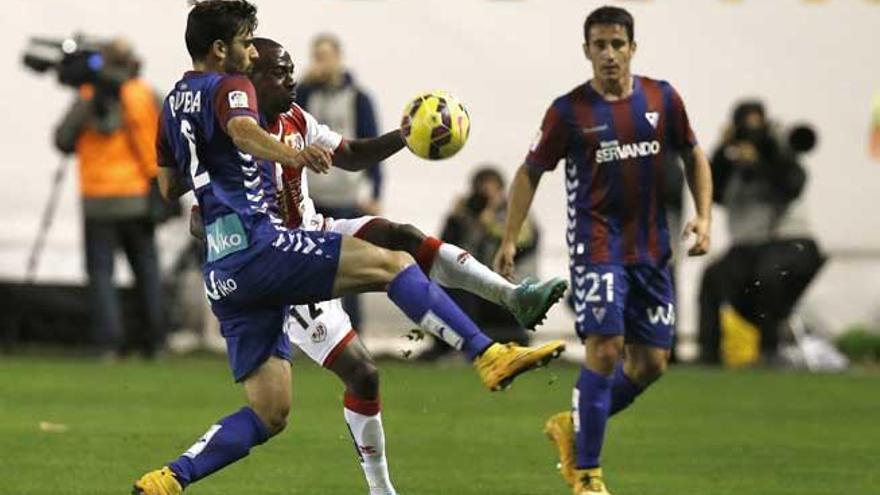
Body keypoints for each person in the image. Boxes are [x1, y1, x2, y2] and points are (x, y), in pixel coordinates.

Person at [132, 2, 567, 493]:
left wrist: (215, 203)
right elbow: (243, 131)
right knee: (393, 265)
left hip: (224, 271)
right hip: (264, 248)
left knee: (270, 412)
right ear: (220, 49)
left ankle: (169, 479)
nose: (250, 54)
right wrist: (291, 155)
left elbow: (169, 186)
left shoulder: (173, 101)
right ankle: (486, 352)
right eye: (246, 44)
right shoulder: (232, 87)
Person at [493, 7, 713, 495]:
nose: (609, 54)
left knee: (651, 363)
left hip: (652, 250)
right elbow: (530, 171)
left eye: (618, 44)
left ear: (633, 47)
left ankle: (573, 423)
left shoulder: (663, 98)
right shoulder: (569, 111)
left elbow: (693, 153)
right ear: (586, 50)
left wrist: (704, 215)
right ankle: (587, 474)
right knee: (606, 348)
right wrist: (510, 236)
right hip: (597, 247)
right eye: (599, 45)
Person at [53, 37, 165, 359]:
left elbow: (63, 139)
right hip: (137, 196)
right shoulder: (144, 95)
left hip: (98, 200)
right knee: (147, 271)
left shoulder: (88, 95)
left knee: (102, 275)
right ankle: (155, 342)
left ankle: (108, 343)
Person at [699, 100, 824, 364]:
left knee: (768, 274)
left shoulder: (777, 157)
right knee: (712, 278)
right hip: (748, 247)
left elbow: (791, 185)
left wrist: (761, 159)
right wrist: (724, 149)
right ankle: (708, 355)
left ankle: (770, 349)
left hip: (784, 244)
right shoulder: (730, 165)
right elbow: (709, 189)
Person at [295, 33, 384, 331]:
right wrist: (302, 85)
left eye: (325, 55)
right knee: (306, 269)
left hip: (346, 195)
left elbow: (369, 145)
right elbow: (285, 119)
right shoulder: (307, 94)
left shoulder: (359, 98)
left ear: (338, 57)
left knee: (350, 268)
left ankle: (353, 330)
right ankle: (312, 333)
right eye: (316, 55)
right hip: (310, 195)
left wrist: (376, 191)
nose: (320, 62)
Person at [418, 166, 542, 361]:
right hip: (474, 291)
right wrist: (458, 220)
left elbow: (526, 244)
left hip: (508, 290)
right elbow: (444, 250)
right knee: (450, 286)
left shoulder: (515, 215)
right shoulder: (465, 215)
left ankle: (472, 346)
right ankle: (451, 345)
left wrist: (491, 223)